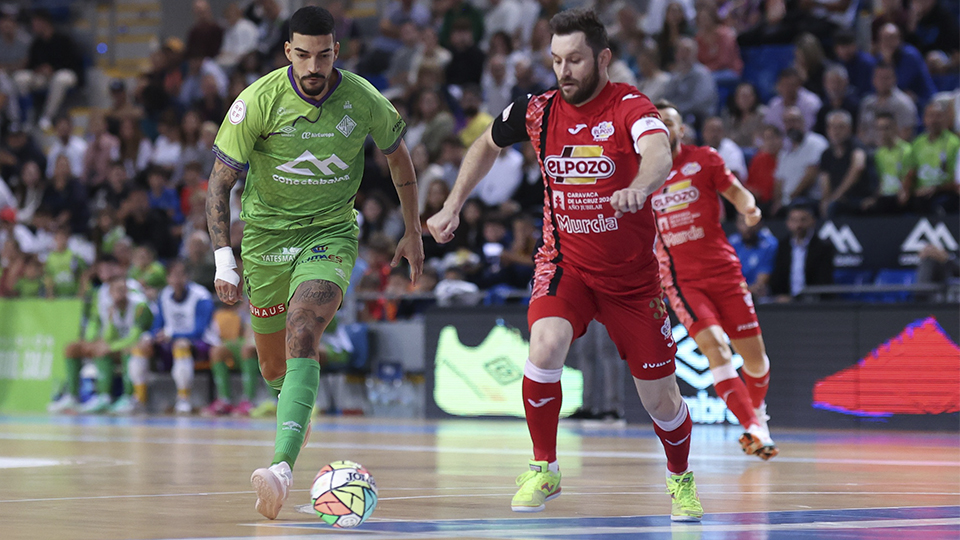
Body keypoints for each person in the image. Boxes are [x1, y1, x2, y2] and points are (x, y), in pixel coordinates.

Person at [427, 9, 703, 521]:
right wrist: (453, 204)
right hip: (565, 264)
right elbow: (486, 143)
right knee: (545, 344)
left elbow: (659, 152)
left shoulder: (630, 106)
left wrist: (640, 187)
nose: (564, 71)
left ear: (602, 58)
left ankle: (680, 479)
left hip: (630, 281)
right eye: (556, 60)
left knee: (661, 401)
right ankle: (544, 467)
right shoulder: (539, 111)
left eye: (574, 59)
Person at [205, 6, 423, 520]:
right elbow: (219, 182)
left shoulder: (363, 98)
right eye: (303, 54)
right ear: (288, 53)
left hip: (329, 234)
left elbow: (399, 156)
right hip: (264, 240)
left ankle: (280, 471)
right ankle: (297, 416)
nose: (313, 65)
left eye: (323, 55)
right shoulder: (258, 101)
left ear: (336, 52)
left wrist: (412, 230)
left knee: (304, 329)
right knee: (275, 367)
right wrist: (223, 259)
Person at [652, 101, 778, 460]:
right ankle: (752, 428)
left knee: (755, 361)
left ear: (680, 130)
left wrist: (748, 208)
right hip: (681, 280)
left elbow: (736, 191)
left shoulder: (703, 159)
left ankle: (757, 417)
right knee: (716, 349)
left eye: (669, 122)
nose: (663, 128)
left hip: (723, 270)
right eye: (655, 123)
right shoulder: (642, 174)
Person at [144, 261, 218, 415]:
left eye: (181, 275)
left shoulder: (201, 296)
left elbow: (199, 331)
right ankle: (138, 399)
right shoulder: (164, 295)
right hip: (171, 342)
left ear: (188, 277)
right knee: (141, 347)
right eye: (173, 275)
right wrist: (150, 337)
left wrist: (171, 335)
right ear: (168, 278)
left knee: (181, 346)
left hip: (202, 344)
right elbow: (157, 325)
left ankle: (184, 399)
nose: (177, 279)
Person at [902, 101, 960, 214]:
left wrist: (935, 188)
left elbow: (956, 179)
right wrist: (905, 191)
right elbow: (910, 172)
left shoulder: (955, 144)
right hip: (921, 192)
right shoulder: (917, 143)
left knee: (940, 206)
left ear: (946, 119)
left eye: (939, 116)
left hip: (945, 192)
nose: (934, 120)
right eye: (931, 116)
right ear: (924, 119)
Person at [769, 201, 835, 301]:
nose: (799, 225)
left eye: (803, 220)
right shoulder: (782, 246)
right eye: (794, 220)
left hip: (814, 302)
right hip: (785, 302)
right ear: (788, 223)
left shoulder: (823, 247)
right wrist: (781, 296)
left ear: (813, 221)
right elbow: (778, 277)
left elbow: (823, 280)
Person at [817, 110, 869, 217]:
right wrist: (826, 200)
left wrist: (836, 196)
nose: (836, 131)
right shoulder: (826, 154)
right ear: (828, 130)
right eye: (833, 127)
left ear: (849, 129)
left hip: (858, 197)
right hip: (838, 200)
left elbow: (858, 168)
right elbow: (824, 180)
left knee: (835, 207)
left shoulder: (857, 147)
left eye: (841, 127)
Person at [862, 112, 911, 214]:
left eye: (886, 128)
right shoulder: (878, 154)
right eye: (879, 129)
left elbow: (908, 177)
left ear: (895, 128)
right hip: (884, 197)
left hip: (899, 196)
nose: (882, 133)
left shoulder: (906, 151)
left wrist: (904, 192)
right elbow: (880, 181)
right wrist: (873, 198)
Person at [728, 214, 778, 298]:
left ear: (759, 223)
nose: (747, 227)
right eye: (742, 222)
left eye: (750, 222)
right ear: (736, 224)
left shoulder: (769, 244)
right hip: (734, 295)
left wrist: (735, 290)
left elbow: (760, 284)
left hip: (758, 298)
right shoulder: (731, 243)